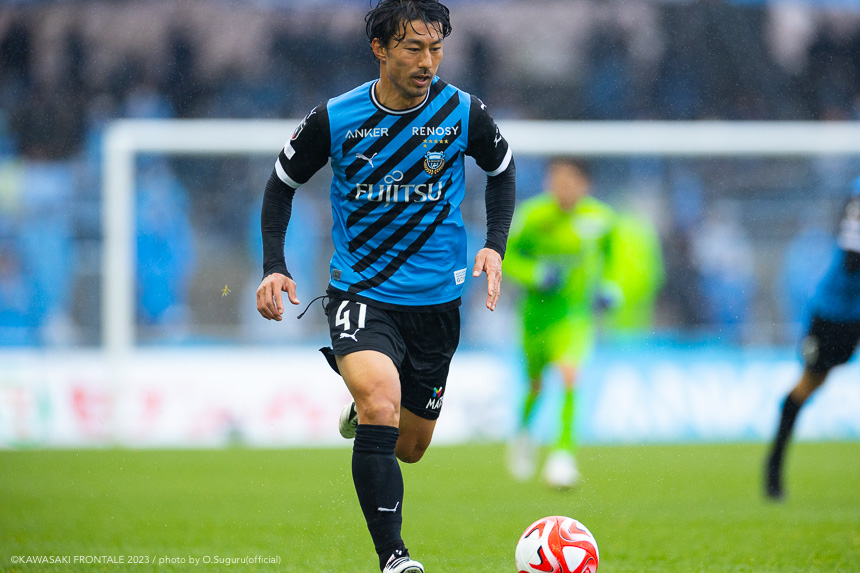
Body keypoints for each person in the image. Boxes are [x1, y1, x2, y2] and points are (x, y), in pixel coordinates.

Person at [255, 2, 516, 571]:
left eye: (436, 49)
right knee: (380, 404)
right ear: (380, 48)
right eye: (413, 48)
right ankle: (394, 557)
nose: (428, 62)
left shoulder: (462, 112)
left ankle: (363, 408)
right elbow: (280, 186)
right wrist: (275, 264)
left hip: (437, 302)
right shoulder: (336, 118)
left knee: (411, 446)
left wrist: (495, 243)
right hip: (362, 292)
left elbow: (502, 171)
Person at [504, 157, 617, 488]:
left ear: (584, 185)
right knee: (536, 385)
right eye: (556, 181)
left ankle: (562, 456)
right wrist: (536, 274)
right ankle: (524, 435)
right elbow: (506, 256)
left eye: (568, 181)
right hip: (536, 316)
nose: (561, 188)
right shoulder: (533, 216)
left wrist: (610, 288)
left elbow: (613, 259)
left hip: (574, 316)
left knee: (570, 375)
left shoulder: (600, 219)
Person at [765, 174, 860, 501]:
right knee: (808, 385)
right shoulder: (858, 200)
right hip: (834, 315)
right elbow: (853, 260)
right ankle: (774, 468)